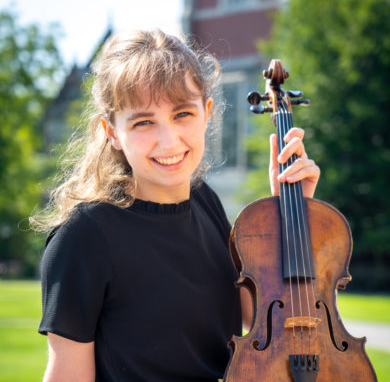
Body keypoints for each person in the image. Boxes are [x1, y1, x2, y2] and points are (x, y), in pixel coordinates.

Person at [31, 30, 320, 382]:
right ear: (112, 133)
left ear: (207, 113)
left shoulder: (205, 201)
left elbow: (260, 318)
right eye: (143, 122)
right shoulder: (83, 237)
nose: (168, 141)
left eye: (182, 114)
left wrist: (288, 213)